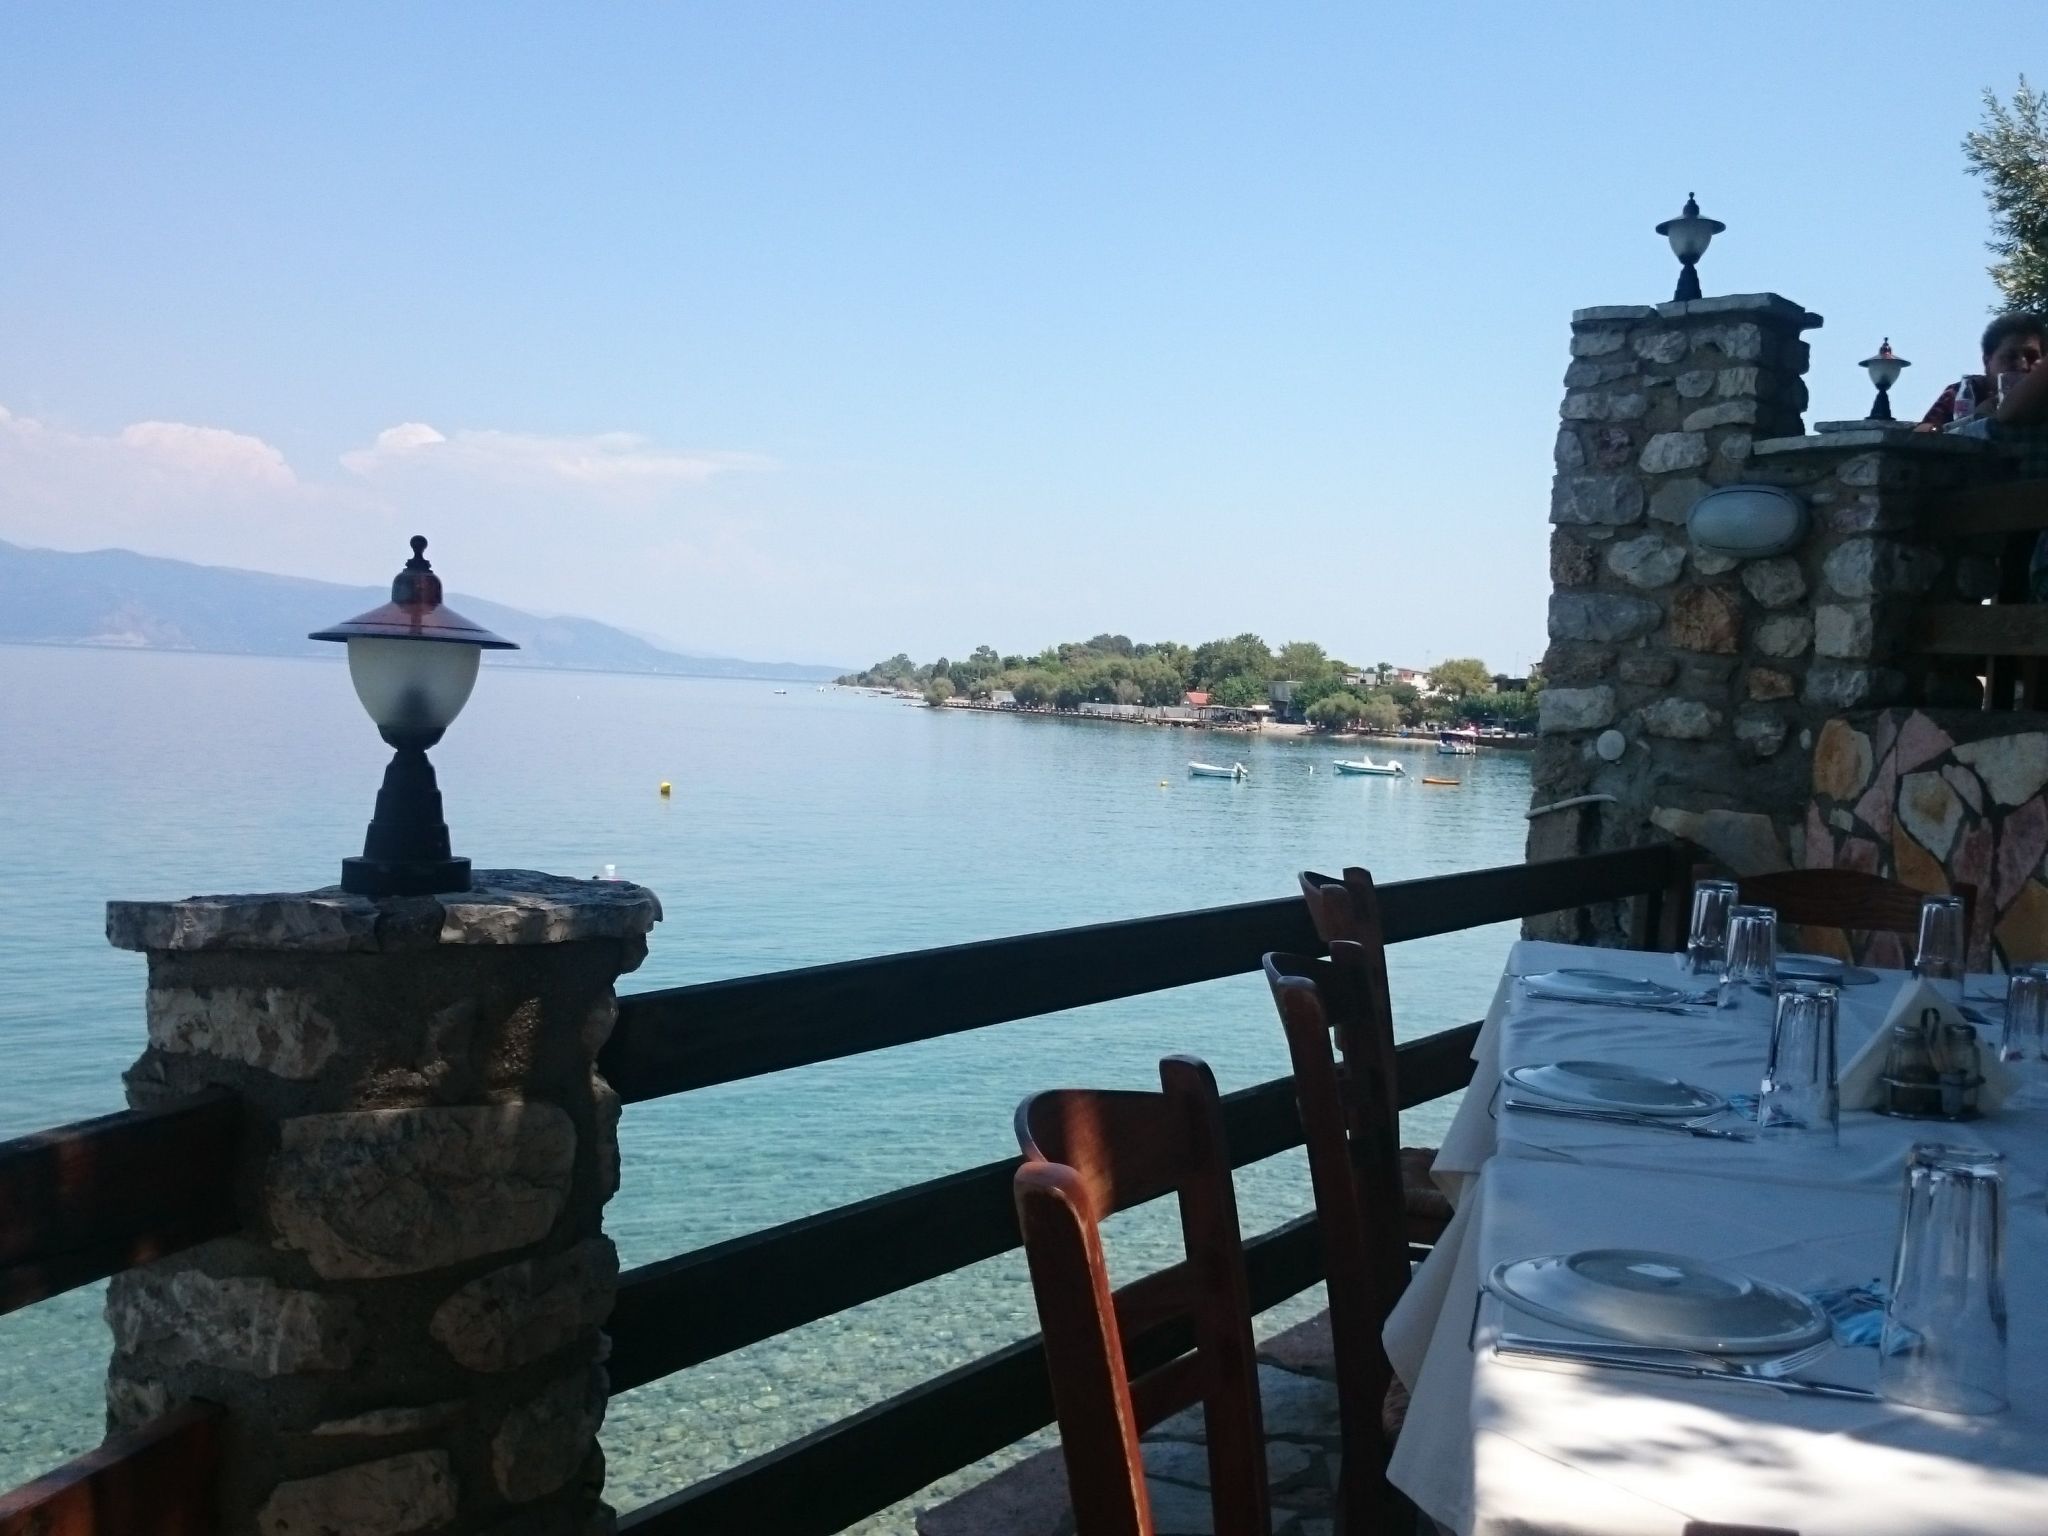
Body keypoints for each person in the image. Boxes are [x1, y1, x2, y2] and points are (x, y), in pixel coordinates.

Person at [1917, 312, 2048, 431]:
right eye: (2010, 357)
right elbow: (1921, 435)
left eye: (2032, 357)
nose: (2023, 365)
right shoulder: (1963, 393)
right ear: (1987, 362)